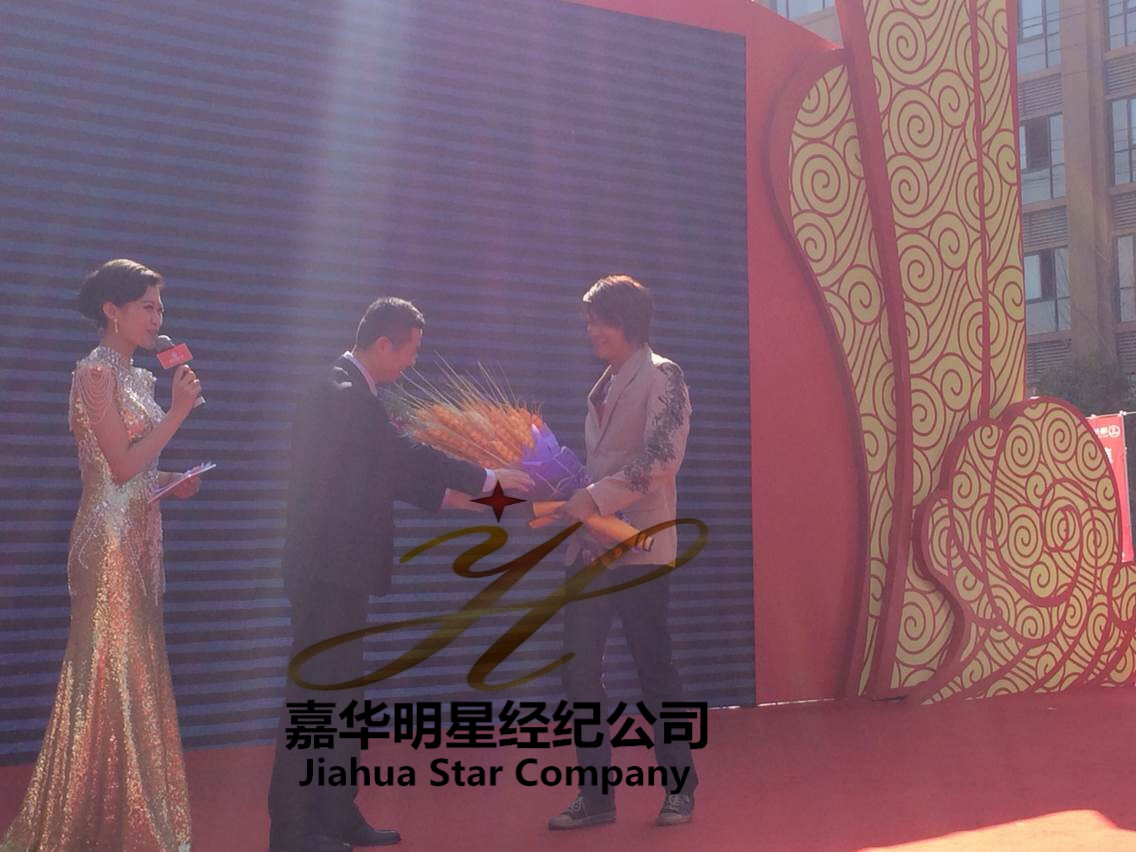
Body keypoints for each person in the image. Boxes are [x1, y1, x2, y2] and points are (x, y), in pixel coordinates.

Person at [267, 297, 531, 852]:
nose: (412, 363)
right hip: (326, 572)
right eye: (410, 351)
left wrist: (487, 500)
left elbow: (392, 476)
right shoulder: (340, 392)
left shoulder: (356, 395)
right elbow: (401, 456)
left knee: (343, 697)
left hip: (344, 573)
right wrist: (485, 478)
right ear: (384, 343)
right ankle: (293, 831)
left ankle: (337, 814)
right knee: (314, 699)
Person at [1, 259, 203, 852]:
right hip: (107, 543)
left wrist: (170, 479)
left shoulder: (137, 376)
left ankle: (123, 818)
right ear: (112, 310)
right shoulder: (94, 373)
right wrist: (179, 413)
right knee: (110, 672)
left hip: (139, 534)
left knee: (134, 670)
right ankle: (99, 824)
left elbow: (135, 470)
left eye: (160, 308)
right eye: (147, 306)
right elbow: (115, 467)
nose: (157, 318)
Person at [548, 274, 698, 830]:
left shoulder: (663, 375)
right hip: (591, 552)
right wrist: (565, 489)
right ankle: (597, 796)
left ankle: (679, 788)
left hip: (641, 549)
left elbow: (662, 457)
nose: (591, 331)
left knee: (654, 670)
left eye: (600, 321)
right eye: (589, 321)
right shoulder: (604, 383)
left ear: (628, 322)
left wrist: (594, 496)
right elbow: (604, 463)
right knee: (578, 673)